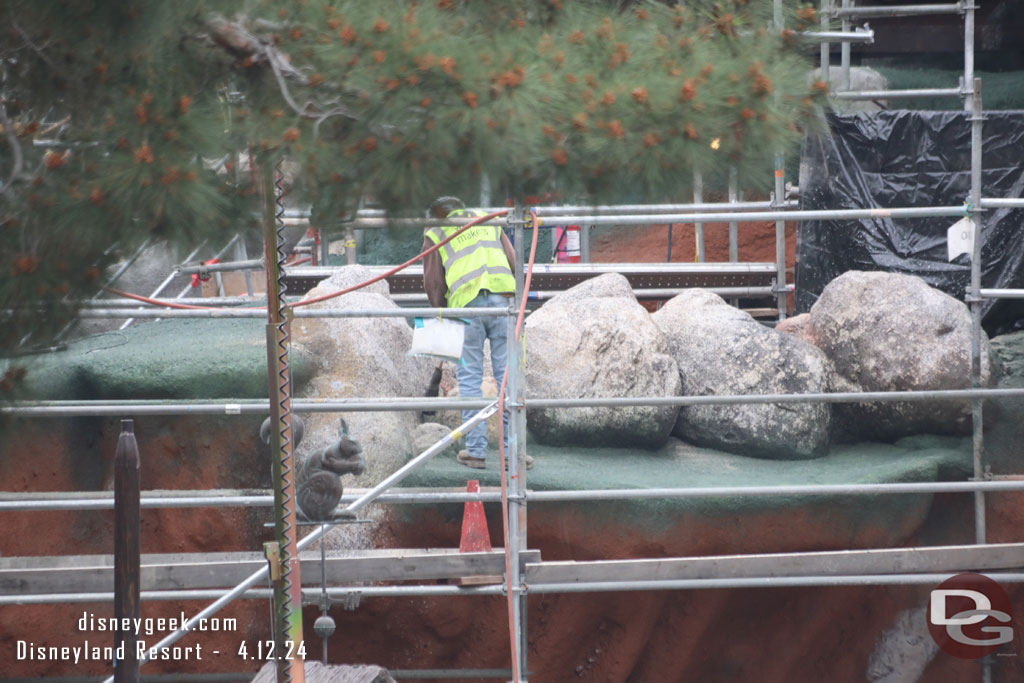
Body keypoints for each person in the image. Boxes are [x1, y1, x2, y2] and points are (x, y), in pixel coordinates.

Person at [421, 196, 533, 470]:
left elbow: (434, 283)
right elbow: (514, 261)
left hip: (467, 304)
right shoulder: (487, 219)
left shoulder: (435, 231)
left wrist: (442, 314)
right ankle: (513, 453)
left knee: (469, 379)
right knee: (508, 377)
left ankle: (476, 453)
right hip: (504, 300)